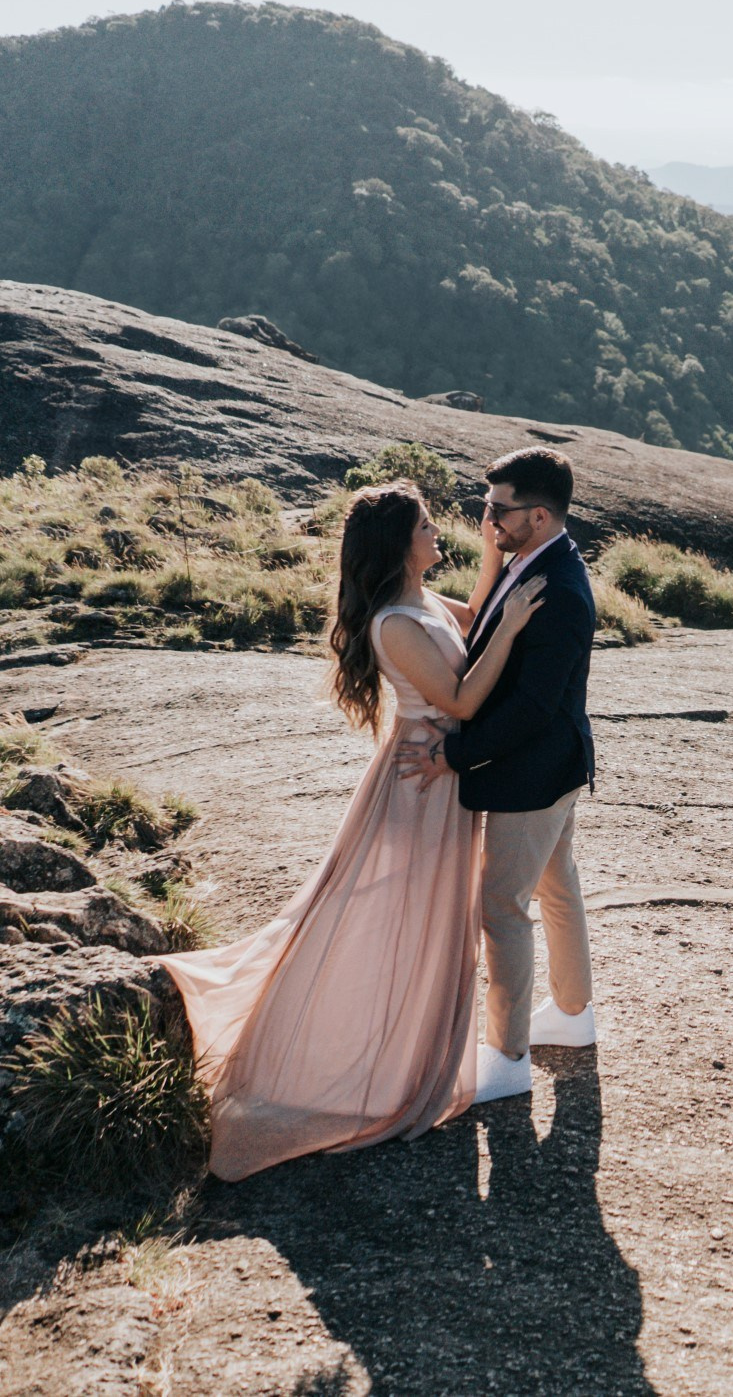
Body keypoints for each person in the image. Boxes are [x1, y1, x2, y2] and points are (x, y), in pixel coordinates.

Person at [160, 482, 543, 1181]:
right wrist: (513, 628)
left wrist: (494, 554)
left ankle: (405, 1047)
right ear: (399, 544)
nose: (437, 533)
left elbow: (475, 617)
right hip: (419, 784)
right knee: (394, 918)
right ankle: (348, 1051)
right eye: (426, 525)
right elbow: (461, 697)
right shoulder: (394, 622)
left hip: (443, 776)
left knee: (428, 919)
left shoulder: (422, 599)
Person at [396, 446, 600, 1102]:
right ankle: (572, 1015)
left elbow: (531, 708)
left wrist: (454, 755)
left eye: (499, 509)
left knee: (502, 908)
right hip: (556, 766)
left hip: (533, 775)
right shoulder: (534, 559)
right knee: (557, 885)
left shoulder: (558, 590)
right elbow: (485, 623)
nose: (488, 519)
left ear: (539, 516)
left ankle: (508, 1059)